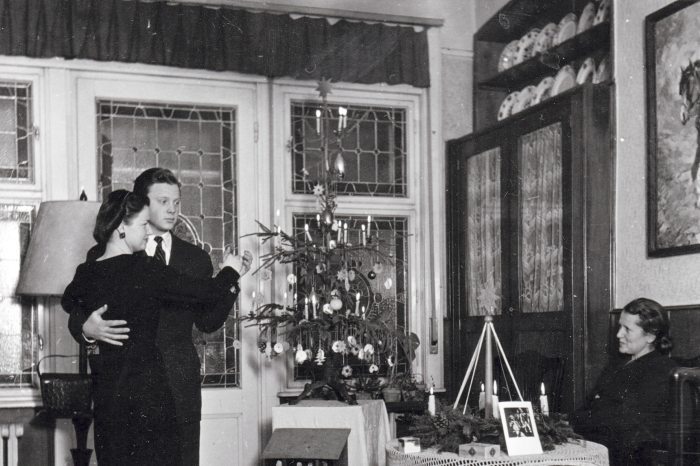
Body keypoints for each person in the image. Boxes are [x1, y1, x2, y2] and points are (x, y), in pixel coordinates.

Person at [62, 167, 250, 465]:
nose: (173, 209)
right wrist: (87, 328)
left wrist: (233, 284)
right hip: (126, 395)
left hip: (178, 387)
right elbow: (76, 308)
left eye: (177, 202)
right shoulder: (100, 255)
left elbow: (207, 321)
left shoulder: (196, 258)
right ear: (141, 203)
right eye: (163, 201)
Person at [573, 297, 678, 466]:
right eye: (619, 326)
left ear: (650, 336)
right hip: (600, 442)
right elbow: (592, 404)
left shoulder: (661, 370)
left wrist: (577, 422)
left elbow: (626, 423)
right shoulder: (617, 363)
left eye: (627, 329)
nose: (618, 334)